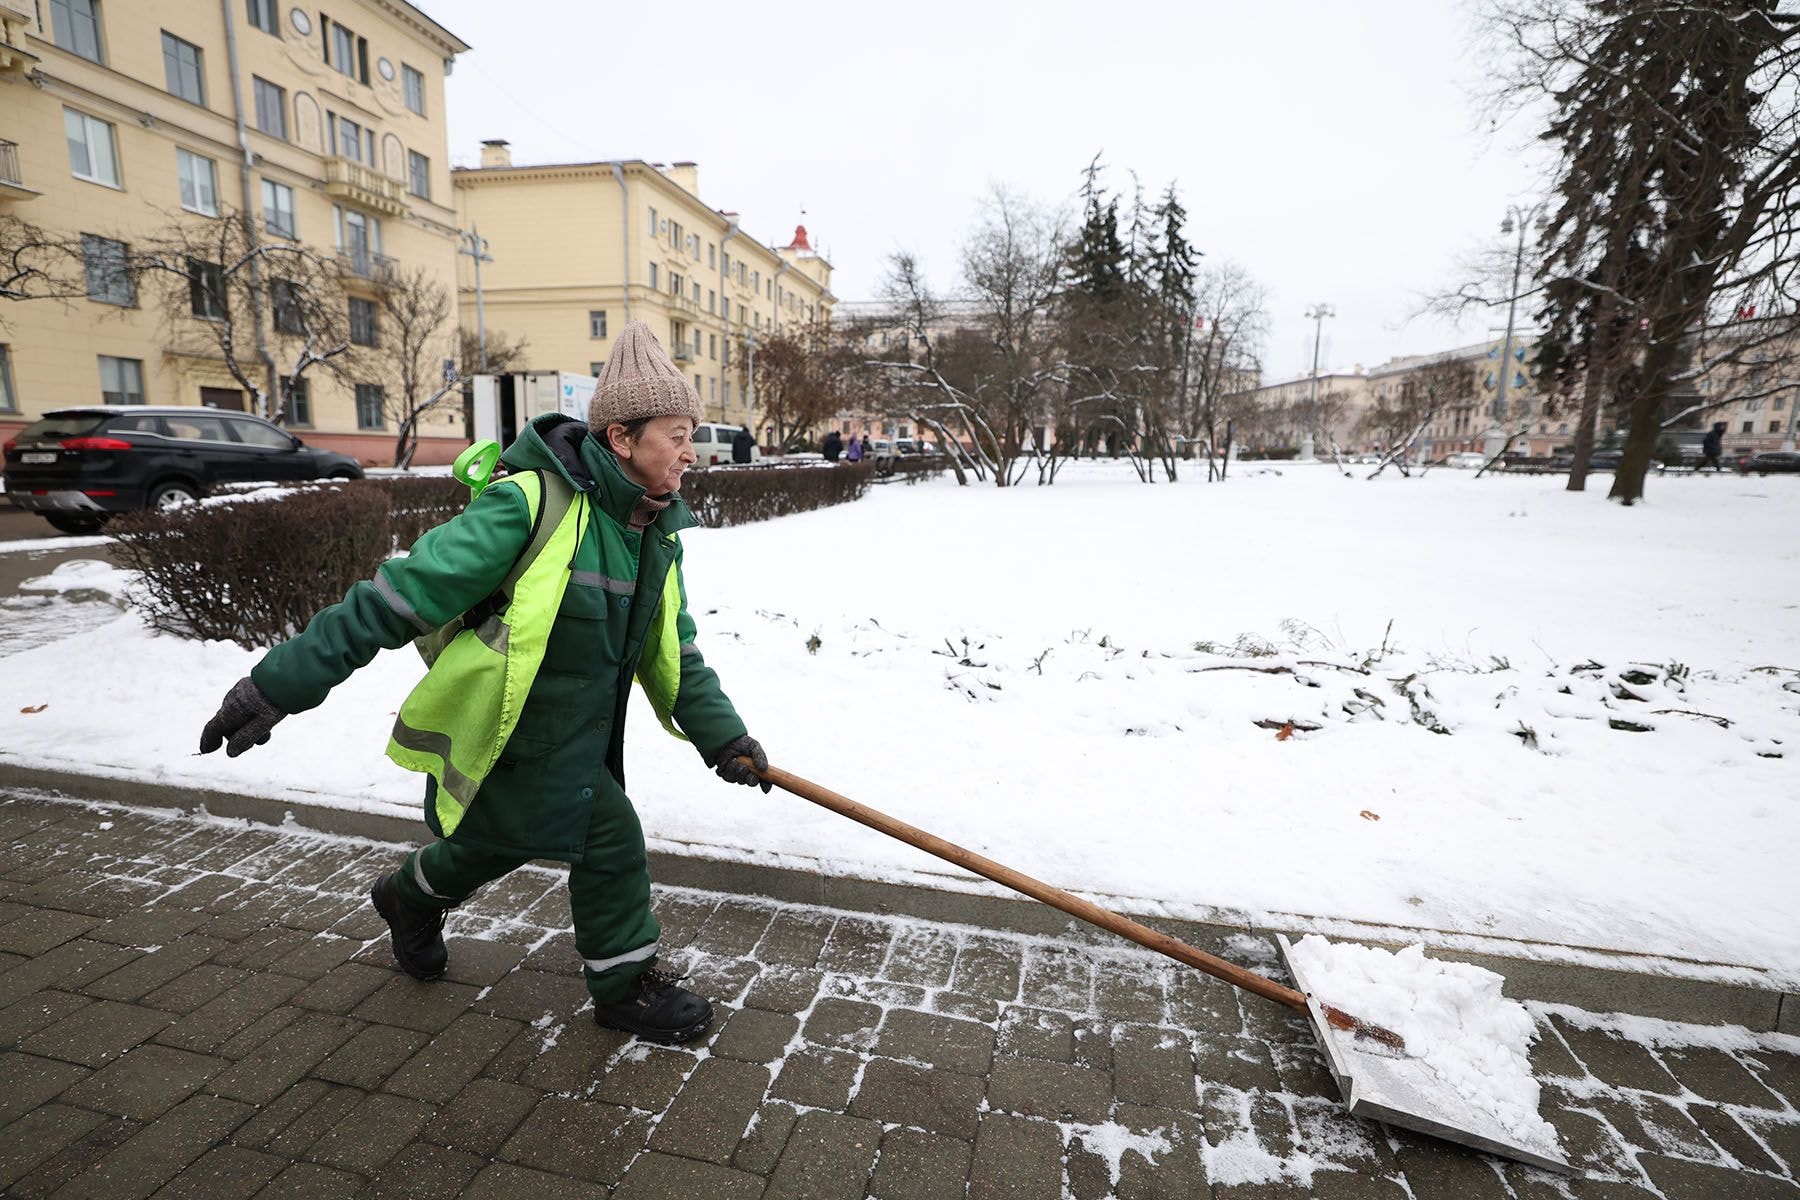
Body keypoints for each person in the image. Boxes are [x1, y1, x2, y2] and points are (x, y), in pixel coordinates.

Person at [197, 320, 770, 1045]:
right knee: (608, 837)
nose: (692, 453)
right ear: (622, 440)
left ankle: (406, 897)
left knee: (493, 844)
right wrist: (278, 685)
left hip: (573, 736)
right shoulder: (528, 504)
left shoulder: (652, 532)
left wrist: (725, 739)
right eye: (677, 434)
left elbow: (675, 655)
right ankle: (625, 987)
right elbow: (394, 598)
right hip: (503, 729)